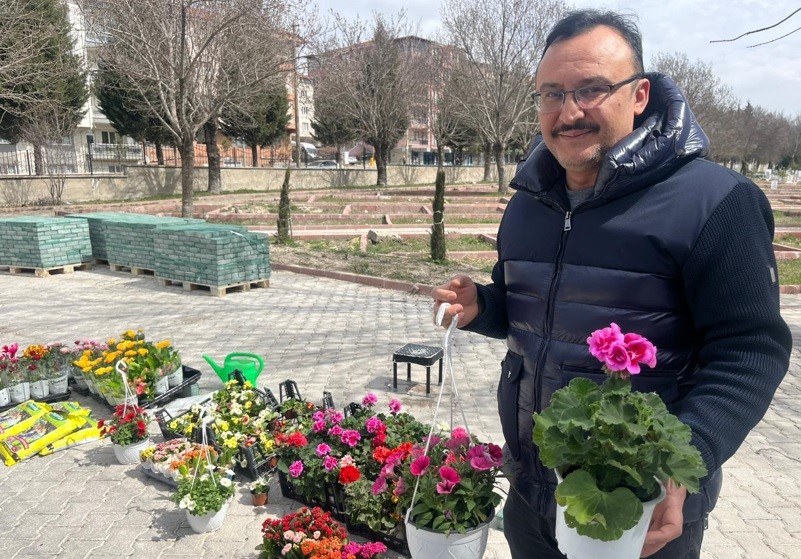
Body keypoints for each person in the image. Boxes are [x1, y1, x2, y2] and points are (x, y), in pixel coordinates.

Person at [431, 9, 791, 559]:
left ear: (640, 94)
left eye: (592, 89)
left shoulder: (717, 202)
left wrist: (683, 465)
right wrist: (485, 306)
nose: (569, 111)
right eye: (551, 94)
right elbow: (529, 313)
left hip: (642, 508)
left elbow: (749, 352)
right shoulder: (529, 203)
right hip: (532, 494)